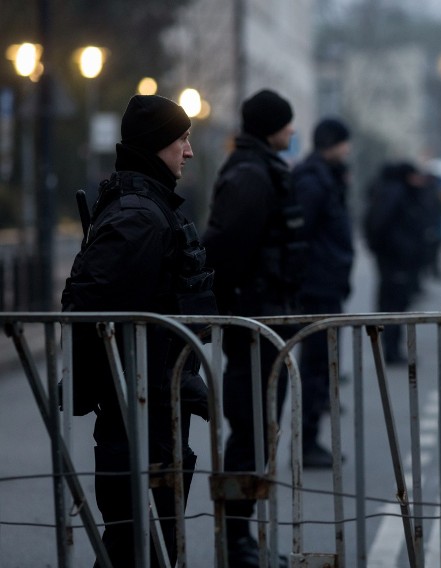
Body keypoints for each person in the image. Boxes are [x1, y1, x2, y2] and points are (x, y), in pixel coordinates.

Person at [61, 94, 216, 567]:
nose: (188, 152)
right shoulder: (139, 218)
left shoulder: (147, 210)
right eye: (181, 139)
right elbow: (89, 309)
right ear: (155, 145)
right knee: (135, 545)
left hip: (151, 404)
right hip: (137, 410)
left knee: (138, 545)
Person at [202, 88, 303, 568]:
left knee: (259, 429)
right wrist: (239, 305)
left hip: (261, 318)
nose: (292, 130)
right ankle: (236, 541)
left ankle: (242, 539)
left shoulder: (257, 169)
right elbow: (227, 249)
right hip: (253, 320)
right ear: (270, 127)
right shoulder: (251, 174)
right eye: (286, 123)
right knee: (251, 430)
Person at [291, 117, 354, 468]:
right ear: (333, 143)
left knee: (319, 365)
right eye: (344, 143)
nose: (348, 150)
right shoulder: (314, 181)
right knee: (314, 366)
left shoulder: (324, 177)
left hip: (325, 283)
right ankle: (307, 442)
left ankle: (310, 440)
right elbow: (303, 236)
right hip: (317, 286)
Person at [363, 161, 429, 363]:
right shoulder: (395, 194)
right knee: (394, 305)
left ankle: (392, 348)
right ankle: (391, 351)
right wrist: (399, 249)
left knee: (395, 304)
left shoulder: (393, 192)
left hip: (396, 259)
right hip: (395, 261)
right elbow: (380, 226)